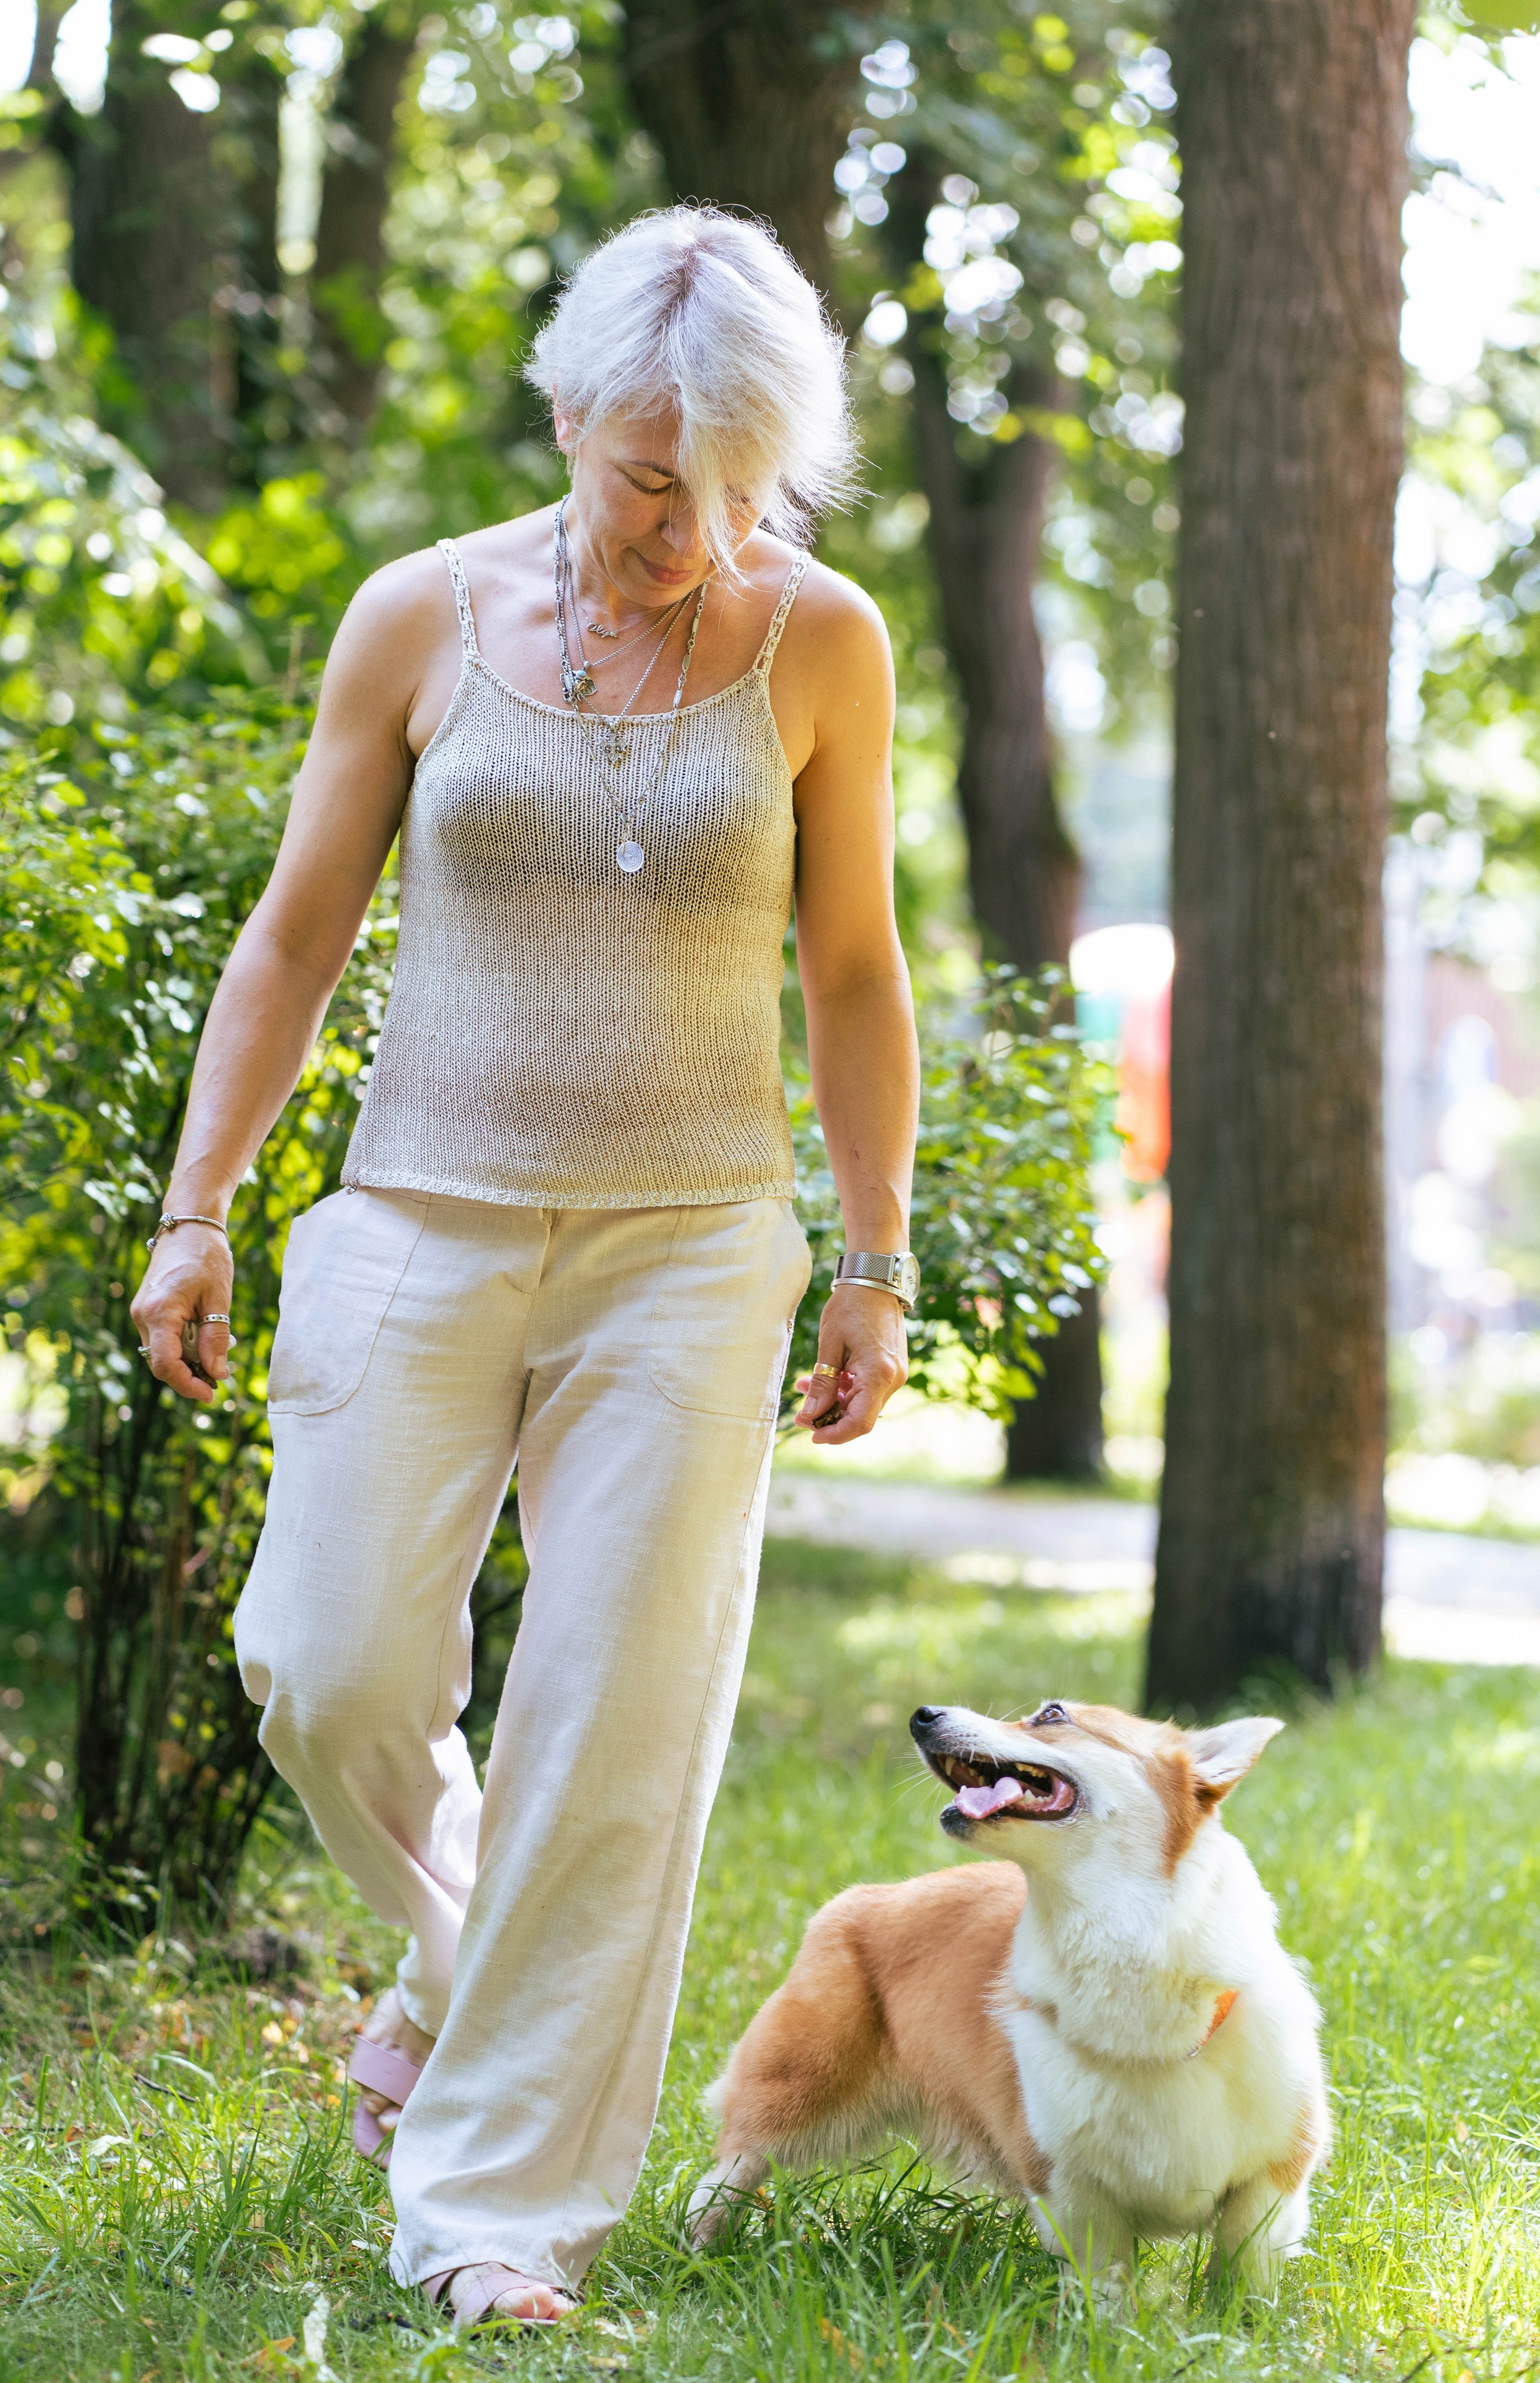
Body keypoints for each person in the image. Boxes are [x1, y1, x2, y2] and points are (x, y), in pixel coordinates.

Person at [130, 207, 918, 2330]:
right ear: (566, 416)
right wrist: (201, 1201)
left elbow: (854, 968)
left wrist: (875, 1252)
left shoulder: (820, 640)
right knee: (326, 1664)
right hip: (419, 1211)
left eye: (739, 488)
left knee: (613, 1724)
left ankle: (497, 2212)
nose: (693, 532)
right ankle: (466, 1966)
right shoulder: (423, 616)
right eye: (655, 478)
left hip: (692, 1251)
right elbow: (297, 933)